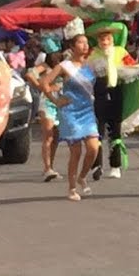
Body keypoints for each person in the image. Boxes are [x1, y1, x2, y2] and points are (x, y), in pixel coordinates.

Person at [38, 29, 102, 201]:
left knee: (94, 148)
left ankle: (82, 176)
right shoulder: (64, 66)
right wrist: (55, 100)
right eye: (80, 42)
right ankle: (72, 187)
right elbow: (44, 82)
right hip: (70, 112)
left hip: (87, 111)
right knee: (76, 152)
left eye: (86, 43)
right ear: (72, 47)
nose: (85, 45)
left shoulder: (92, 65)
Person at [87, 21, 139, 180]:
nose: (104, 42)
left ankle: (115, 165)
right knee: (97, 131)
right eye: (101, 39)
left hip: (116, 91)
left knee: (115, 131)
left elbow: (133, 67)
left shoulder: (120, 52)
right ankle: (96, 165)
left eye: (107, 39)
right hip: (99, 93)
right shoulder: (93, 54)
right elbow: (86, 74)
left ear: (113, 39)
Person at [25, 47, 64, 181]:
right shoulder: (45, 66)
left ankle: (50, 167)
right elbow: (30, 73)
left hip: (60, 102)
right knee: (48, 135)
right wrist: (40, 86)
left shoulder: (64, 65)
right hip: (46, 102)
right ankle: (47, 168)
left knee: (56, 136)